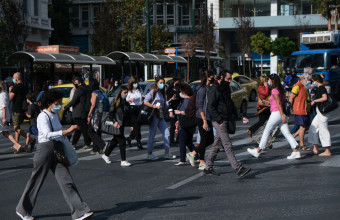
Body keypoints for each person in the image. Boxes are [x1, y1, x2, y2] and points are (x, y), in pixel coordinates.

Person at [16, 90, 93, 220]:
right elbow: (46, 134)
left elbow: (58, 131)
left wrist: (66, 132)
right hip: (45, 149)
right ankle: (23, 210)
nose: (60, 104)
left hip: (57, 148)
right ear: (51, 103)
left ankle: (80, 212)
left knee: (66, 180)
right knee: (36, 181)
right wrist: (65, 131)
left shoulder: (55, 115)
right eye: (58, 102)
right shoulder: (43, 116)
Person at [204, 70, 251, 177]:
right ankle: (238, 168)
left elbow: (230, 104)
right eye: (228, 79)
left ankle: (208, 166)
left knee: (217, 144)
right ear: (221, 77)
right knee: (227, 144)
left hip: (226, 119)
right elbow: (210, 107)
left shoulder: (226, 88)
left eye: (230, 79)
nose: (230, 81)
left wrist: (240, 115)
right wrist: (219, 120)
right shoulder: (214, 89)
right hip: (219, 121)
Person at [247, 74, 300, 159]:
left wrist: (282, 115)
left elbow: (279, 103)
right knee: (286, 133)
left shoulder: (274, 90)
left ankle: (258, 150)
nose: (268, 82)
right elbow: (278, 102)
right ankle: (295, 151)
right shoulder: (281, 89)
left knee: (266, 131)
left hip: (277, 114)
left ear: (272, 81)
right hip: (280, 113)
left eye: (269, 80)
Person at [186, 70, 215, 170]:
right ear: (208, 77)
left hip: (207, 117)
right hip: (201, 117)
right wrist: (205, 121)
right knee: (204, 139)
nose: (214, 78)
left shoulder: (207, 88)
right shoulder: (202, 89)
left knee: (210, 139)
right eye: (212, 76)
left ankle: (193, 153)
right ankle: (201, 162)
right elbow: (200, 106)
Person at [144, 77, 176, 160]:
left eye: (163, 83)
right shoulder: (153, 92)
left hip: (161, 116)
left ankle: (167, 152)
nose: (162, 84)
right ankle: (149, 153)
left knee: (167, 133)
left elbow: (164, 104)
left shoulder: (161, 93)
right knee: (152, 134)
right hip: (154, 115)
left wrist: (170, 100)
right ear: (157, 83)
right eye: (161, 82)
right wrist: (154, 106)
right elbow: (145, 101)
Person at [102, 86, 133, 166]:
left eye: (127, 93)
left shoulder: (126, 103)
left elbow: (129, 115)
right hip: (117, 124)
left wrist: (131, 124)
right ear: (120, 92)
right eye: (124, 93)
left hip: (121, 124)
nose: (126, 94)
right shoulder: (115, 102)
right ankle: (123, 160)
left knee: (115, 141)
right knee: (122, 142)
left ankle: (106, 155)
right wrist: (114, 122)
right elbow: (111, 114)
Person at [64, 77, 92, 150]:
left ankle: (88, 143)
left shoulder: (79, 91)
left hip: (79, 112)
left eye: (76, 83)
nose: (74, 84)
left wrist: (65, 107)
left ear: (80, 83)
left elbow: (73, 101)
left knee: (82, 129)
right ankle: (74, 143)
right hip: (85, 111)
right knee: (79, 128)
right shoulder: (86, 89)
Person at [308, 74, 332, 156]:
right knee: (313, 127)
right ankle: (315, 149)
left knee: (323, 130)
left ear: (316, 81)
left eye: (313, 81)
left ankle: (327, 151)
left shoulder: (321, 88)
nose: (312, 83)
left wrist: (315, 101)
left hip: (323, 112)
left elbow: (324, 98)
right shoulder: (319, 88)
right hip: (319, 112)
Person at [173, 84, 196, 166]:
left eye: (180, 91)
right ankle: (196, 157)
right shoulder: (190, 100)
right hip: (189, 124)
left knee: (182, 141)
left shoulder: (186, 101)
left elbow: (188, 112)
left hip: (185, 124)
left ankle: (182, 159)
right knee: (188, 142)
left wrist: (179, 112)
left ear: (183, 92)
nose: (180, 93)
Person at [289, 72, 312, 150]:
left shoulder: (304, 86)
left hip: (305, 109)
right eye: (308, 80)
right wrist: (291, 108)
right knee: (302, 127)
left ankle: (293, 137)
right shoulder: (297, 86)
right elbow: (291, 98)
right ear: (304, 79)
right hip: (299, 109)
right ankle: (302, 145)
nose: (309, 81)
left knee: (307, 127)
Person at [87, 80, 109, 155]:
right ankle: (96, 149)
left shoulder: (94, 93)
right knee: (98, 131)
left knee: (91, 130)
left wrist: (89, 114)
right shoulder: (102, 93)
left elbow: (93, 105)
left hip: (95, 114)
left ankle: (103, 144)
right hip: (102, 113)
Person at [0, 81, 22, 153]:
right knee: (5, 132)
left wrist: (4, 117)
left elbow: (4, 107)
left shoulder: (2, 95)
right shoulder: (5, 93)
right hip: (5, 114)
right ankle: (17, 144)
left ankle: (17, 144)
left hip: (2, 115)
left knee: (5, 132)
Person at [126, 76, 144, 150]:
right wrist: (130, 99)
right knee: (136, 124)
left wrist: (143, 97)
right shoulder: (130, 91)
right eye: (134, 83)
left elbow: (142, 96)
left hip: (139, 107)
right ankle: (138, 141)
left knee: (137, 125)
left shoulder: (139, 89)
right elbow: (127, 99)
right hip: (132, 108)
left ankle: (130, 138)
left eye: (136, 83)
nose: (136, 84)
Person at [9, 72, 27, 145]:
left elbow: (10, 98)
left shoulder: (16, 87)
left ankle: (30, 139)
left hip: (16, 109)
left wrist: (10, 91)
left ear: (17, 78)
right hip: (22, 108)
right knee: (18, 126)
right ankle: (16, 143)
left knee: (16, 127)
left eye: (14, 78)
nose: (13, 79)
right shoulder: (24, 86)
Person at [166, 77, 182, 148]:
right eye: (176, 83)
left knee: (179, 125)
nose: (177, 84)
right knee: (172, 126)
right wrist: (170, 111)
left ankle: (178, 140)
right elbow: (169, 102)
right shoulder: (169, 91)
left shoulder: (179, 90)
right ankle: (171, 141)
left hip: (179, 109)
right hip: (172, 109)